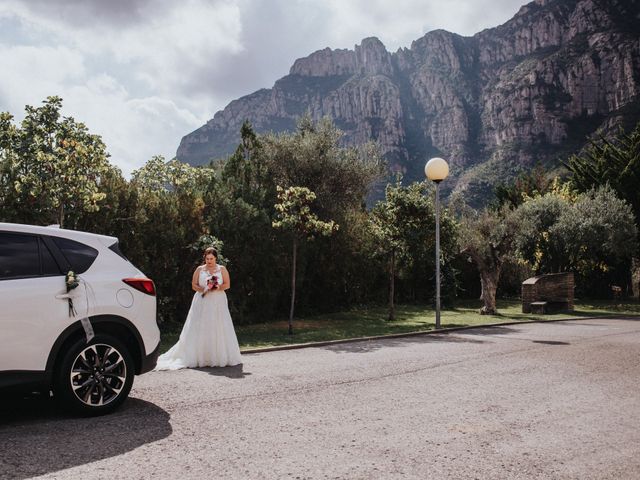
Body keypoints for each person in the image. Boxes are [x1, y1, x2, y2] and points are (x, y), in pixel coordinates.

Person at [155, 247, 242, 370]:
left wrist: (216, 288)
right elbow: (193, 285)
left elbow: (227, 284)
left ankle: (218, 356)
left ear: (216, 258)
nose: (209, 261)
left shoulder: (222, 269)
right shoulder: (199, 269)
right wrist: (205, 289)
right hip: (202, 300)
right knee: (201, 325)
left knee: (218, 325)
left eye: (211, 258)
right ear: (204, 258)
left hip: (218, 301)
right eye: (207, 258)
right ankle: (199, 355)